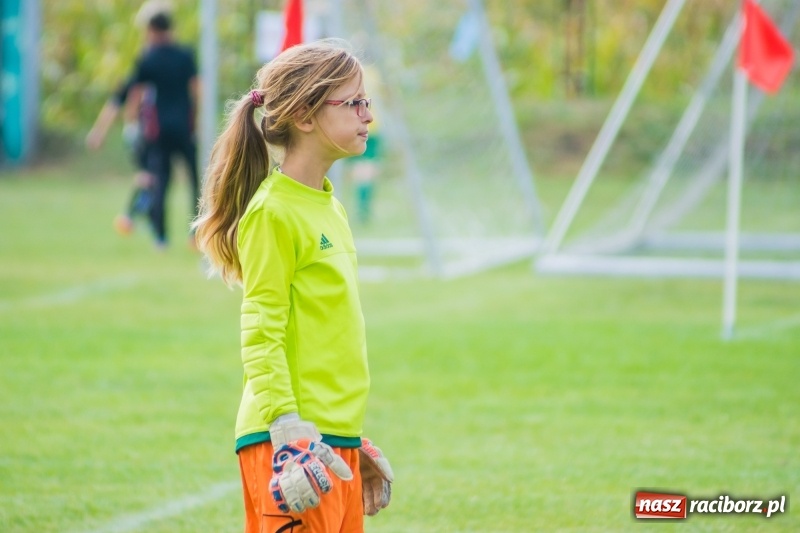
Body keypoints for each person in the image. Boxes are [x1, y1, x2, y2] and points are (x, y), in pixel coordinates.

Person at [192, 40, 394, 533]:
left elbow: (326, 335)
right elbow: (262, 329)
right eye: (354, 103)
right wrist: (287, 428)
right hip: (291, 445)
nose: (367, 115)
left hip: (332, 443)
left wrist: (349, 437)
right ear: (305, 115)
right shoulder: (272, 212)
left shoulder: (329, 206)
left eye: (366, 102)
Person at [126, 3, 200, 250]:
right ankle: (197, 232)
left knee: (160, 182)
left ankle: (161, 238)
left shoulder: (149, 58)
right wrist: (197, 119)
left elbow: (136, 94)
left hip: (158, 131)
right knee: (195, 181)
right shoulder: (185, 55)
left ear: (152, 31)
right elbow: (197, 90)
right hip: (184, 127)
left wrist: (132, 123)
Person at [86, 76, 157, 236]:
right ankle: (129, 216)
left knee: (150, 179)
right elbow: (114, 105)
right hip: (140, 134)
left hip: (147, 134)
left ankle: (141, 218)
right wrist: (98, 132)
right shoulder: (136, 80)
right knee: (147, 178)